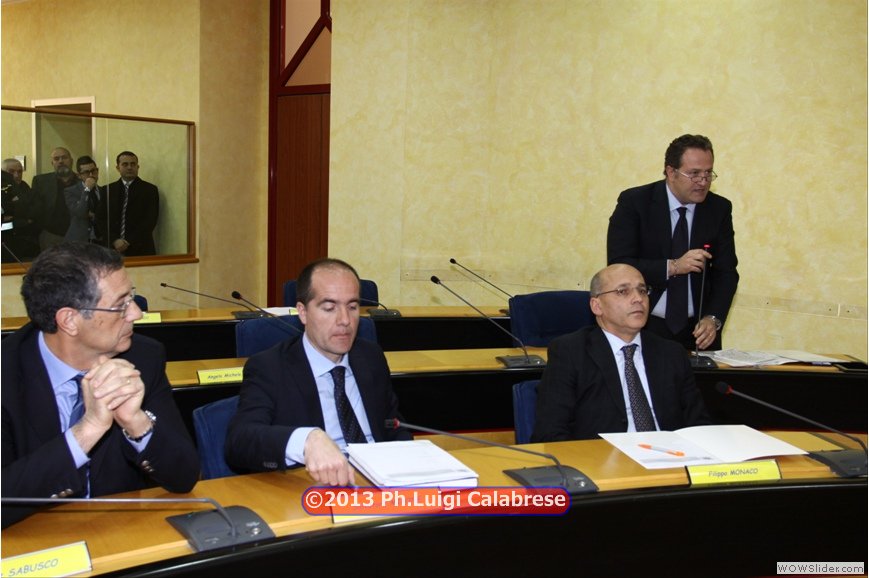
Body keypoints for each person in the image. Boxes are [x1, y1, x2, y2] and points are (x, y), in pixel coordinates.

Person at [1, 243, 199, 528]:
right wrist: (87, 430)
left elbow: (184, 477)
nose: (136, 313)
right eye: (121, 305)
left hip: (117, 531)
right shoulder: (6, 373)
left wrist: (136, 423)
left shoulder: (143, 357)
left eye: (132, 299)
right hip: (31, 537)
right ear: (69, 320)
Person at [226, 258, 411, 485]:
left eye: (352, 307)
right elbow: (240, 441)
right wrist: (307, 440)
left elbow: (393, 426)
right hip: (315, 486)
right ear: (303, 312)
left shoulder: (370, 357)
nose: (345, 320)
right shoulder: (270, 367)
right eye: (330, 308)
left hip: (378, 482)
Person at [531, 264, 710, 442]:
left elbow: (699, 426)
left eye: (642, 291)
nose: (638, 299)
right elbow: (550, 432)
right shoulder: (570, 352)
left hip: (669, 455)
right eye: (623, 291)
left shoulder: (671, 353)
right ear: (597, 306)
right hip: (602, 456)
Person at [606, 134, 738, 351]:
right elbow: (619, 265)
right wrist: (673, 266)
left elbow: (727, 273)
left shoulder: (719, 209)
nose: (703, 181)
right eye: (694, 174)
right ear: (671, 172)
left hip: (698, 332)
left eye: (708, 173)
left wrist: (713, 318)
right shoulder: (635, 203)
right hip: (645, 325)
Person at [105, 151, 159, 256]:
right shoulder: (107, 190)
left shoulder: (150, 190)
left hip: (141, 248)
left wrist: (127, 241)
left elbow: (150, 220)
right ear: (118, 168)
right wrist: (114, 240)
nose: (129, 167)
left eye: (133, 164)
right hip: (112, 248)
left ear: (138, 167)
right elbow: (101, 219)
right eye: (125, 164)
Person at [31, 147, 78, 250]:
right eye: (56, 159)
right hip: (50, 236)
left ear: (71, 161)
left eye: (64, 157)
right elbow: (35, 209)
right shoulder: (40, 181)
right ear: (52, 163)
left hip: (78, 235)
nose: (61, 161)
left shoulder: (81, 181)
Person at [63, 156, 103, 244]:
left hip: (101, 240)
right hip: (79, 240)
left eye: (93, 171)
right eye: (86, 172)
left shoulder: (103, 190)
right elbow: (80, 212)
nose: (91, 175)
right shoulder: (70, 191)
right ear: (79, 175)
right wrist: (87, 189)